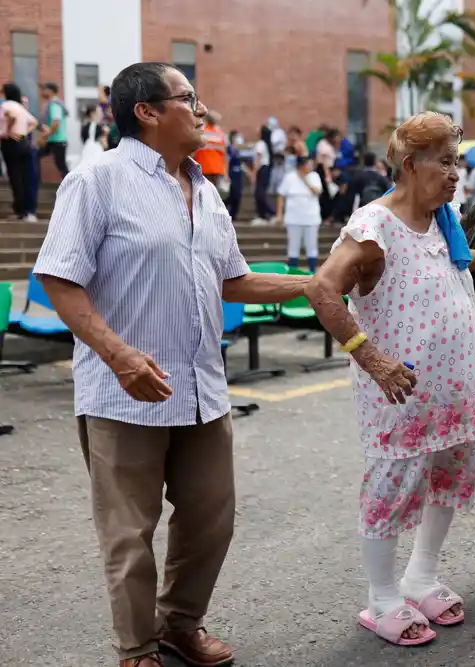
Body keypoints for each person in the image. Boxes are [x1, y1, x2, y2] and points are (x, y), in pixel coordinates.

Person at [32, 61, 312, 667]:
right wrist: (117, 354)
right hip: (123, 392)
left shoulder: (206, 191)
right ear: (148, 112)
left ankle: (179, 624)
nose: (203, 110)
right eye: (190, 99)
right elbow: (58, 278)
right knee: (129, 533)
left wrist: (310, 286)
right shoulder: (96, 181)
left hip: (201, 389)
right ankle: (135, 647)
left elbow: (232, 280)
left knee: (212, 518)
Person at [306, 112, 475, 646]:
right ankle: (382, 597)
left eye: (456, 161)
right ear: (411, 165)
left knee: (449, 482)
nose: (455, 173)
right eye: (444, 161)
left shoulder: (444, 220)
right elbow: (323, 290)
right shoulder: (374, 229)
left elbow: (456, 269)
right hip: (401, 398)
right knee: (391, 493)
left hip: (454, 393)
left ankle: (421, 576)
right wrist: (371, 359)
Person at [277, 155, 323, 272]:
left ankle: (312, 271)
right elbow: (281, 196)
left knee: (311, 246)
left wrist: (305, 180)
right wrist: (279, 214)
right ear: (301, 166)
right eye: (308, 164)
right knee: (293, 247)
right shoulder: (289, 177)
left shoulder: (314, 176)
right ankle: (293, 272)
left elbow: (318, 191)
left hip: (311, 218)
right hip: (293, 218)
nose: (310, 166)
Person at [1, 82, 38, 221]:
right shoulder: (20, 107)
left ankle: (19, 210)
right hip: (23, 142)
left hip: (10, 143)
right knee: (24, 177)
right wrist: (23, 134)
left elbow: (11, 117)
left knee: (15, 176)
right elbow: (33, 122)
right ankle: (26, 210)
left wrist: (9, 131)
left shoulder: (5, 106)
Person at [37, 82, 69, 179]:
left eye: (44, 89)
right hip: (53, 140)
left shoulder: (54, 105)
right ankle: (36, 181)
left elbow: (55, 123)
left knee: (61, 165)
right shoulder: (51, 104)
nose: (42, 92)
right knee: (35, 155)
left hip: (58, 141)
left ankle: (72, 187)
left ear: (50, 91)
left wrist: (45, 135)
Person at [193, 110, 226, 187]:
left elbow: (194, 150)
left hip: (203, 167)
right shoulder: (220, 133)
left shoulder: (201, 132)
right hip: (217, 169)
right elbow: (224, 154)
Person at [251, 124, 275, 224]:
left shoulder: (261, 144)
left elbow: (258, 160)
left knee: (260, 193)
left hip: (262, 169)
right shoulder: (264, 144)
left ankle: (272, 212)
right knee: (259, 193)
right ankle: (262, 214)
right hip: (265, 169)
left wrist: (254, 173)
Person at [76, 105, 108, 171]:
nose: (101, 114)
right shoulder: (101, 128)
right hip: (95, 152)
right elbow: (105, 145)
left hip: (87, 151)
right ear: (92, 114)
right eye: (99, 112)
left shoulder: (85, 127)